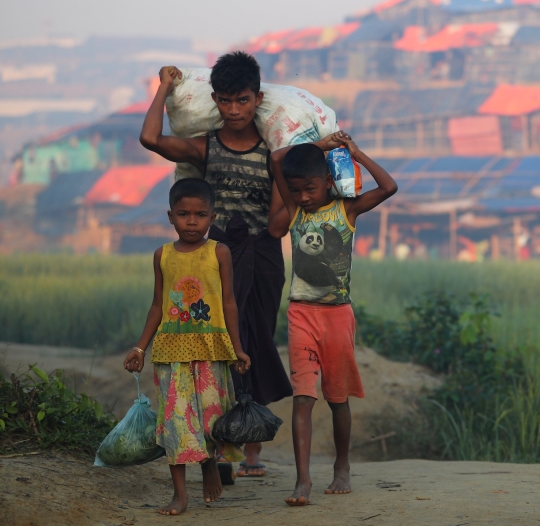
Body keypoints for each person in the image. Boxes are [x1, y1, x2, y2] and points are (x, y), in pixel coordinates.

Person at [139, 52, 292, 477]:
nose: (234, 110)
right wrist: (165, 87)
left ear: (258, 99)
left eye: (242, 100)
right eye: (224, 101)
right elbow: (151, 139)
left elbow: (280, 222)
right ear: (215, 100)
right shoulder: (206, 147)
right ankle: (221, 446)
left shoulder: (273, 154)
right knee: (218, 344)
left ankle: (252, 446)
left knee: (255, 341)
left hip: (261, 258)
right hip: (213, 259)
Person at [269, 132, 397, 506]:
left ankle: (342, 465)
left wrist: (354, 153)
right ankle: (303, 480)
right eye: (296, 191)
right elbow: (277, 160)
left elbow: (389, 186)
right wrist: (319, 147)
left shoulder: (346, 210)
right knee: (303, 398)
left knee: (337, 399)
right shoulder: (294, 212)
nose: (303, 197)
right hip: (300, 314)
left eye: (309, 189)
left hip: (338, 316)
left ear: (328, 182)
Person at [123, 178, 252, 516]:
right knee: (176, 421)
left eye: (200, 214)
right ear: (170, 216)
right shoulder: (162, 255)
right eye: (183, 214)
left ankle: (209, 465)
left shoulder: (218, 252)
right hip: (170, 351)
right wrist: (140, 348)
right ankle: (179, 494)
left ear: (212, 217)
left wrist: (237, 348)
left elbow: (229, 302)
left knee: (211, 419)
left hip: (211, 349)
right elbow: (157, 306)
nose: (191, 221)